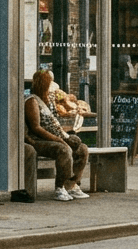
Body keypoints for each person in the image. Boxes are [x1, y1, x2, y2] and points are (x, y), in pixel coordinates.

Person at [24, 69, 89, 201]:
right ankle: (59, 187)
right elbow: (36, 128)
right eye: (50, 84)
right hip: (37, 140)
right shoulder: (32, 101)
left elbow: (54, 124)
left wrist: (64, 134)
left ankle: (71, 184)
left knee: (82, 149)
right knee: (63, 150)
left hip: (52, 136)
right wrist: (58, 139)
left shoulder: (49, 101)